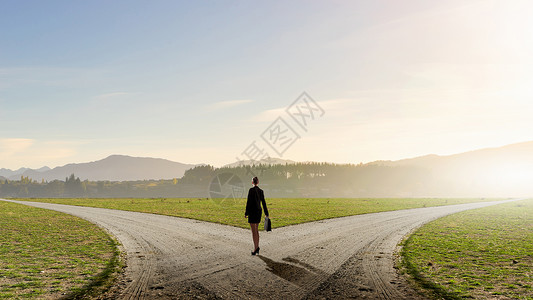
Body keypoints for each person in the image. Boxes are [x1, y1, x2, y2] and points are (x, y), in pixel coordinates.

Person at [245, 176, 269, 255]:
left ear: (252, 182)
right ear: (258, 182)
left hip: (252, 212)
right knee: (256, 230)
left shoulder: (251, 190)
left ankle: (255, 248)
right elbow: (264, 203)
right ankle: (257, 247)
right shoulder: (261, 191)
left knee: (253, 231)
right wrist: (266, 213)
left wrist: (246, 213)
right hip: (259, 212)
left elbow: (248, 202)